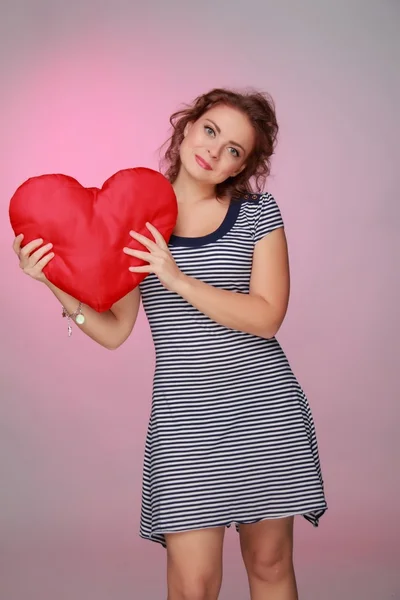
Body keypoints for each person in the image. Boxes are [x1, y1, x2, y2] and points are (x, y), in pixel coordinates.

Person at [13, 88, 327, 600]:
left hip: (264, 411)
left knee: (270, 567)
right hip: (187, 424)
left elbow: (268, 318)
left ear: (240, 168)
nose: (214, 150)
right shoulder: (132, 215)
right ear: (186, 127)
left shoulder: (257, 215)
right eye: (210, 131)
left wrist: (177, 278)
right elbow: (115, 332)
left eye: (234, 150)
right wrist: (50, 280)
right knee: (193, 586)